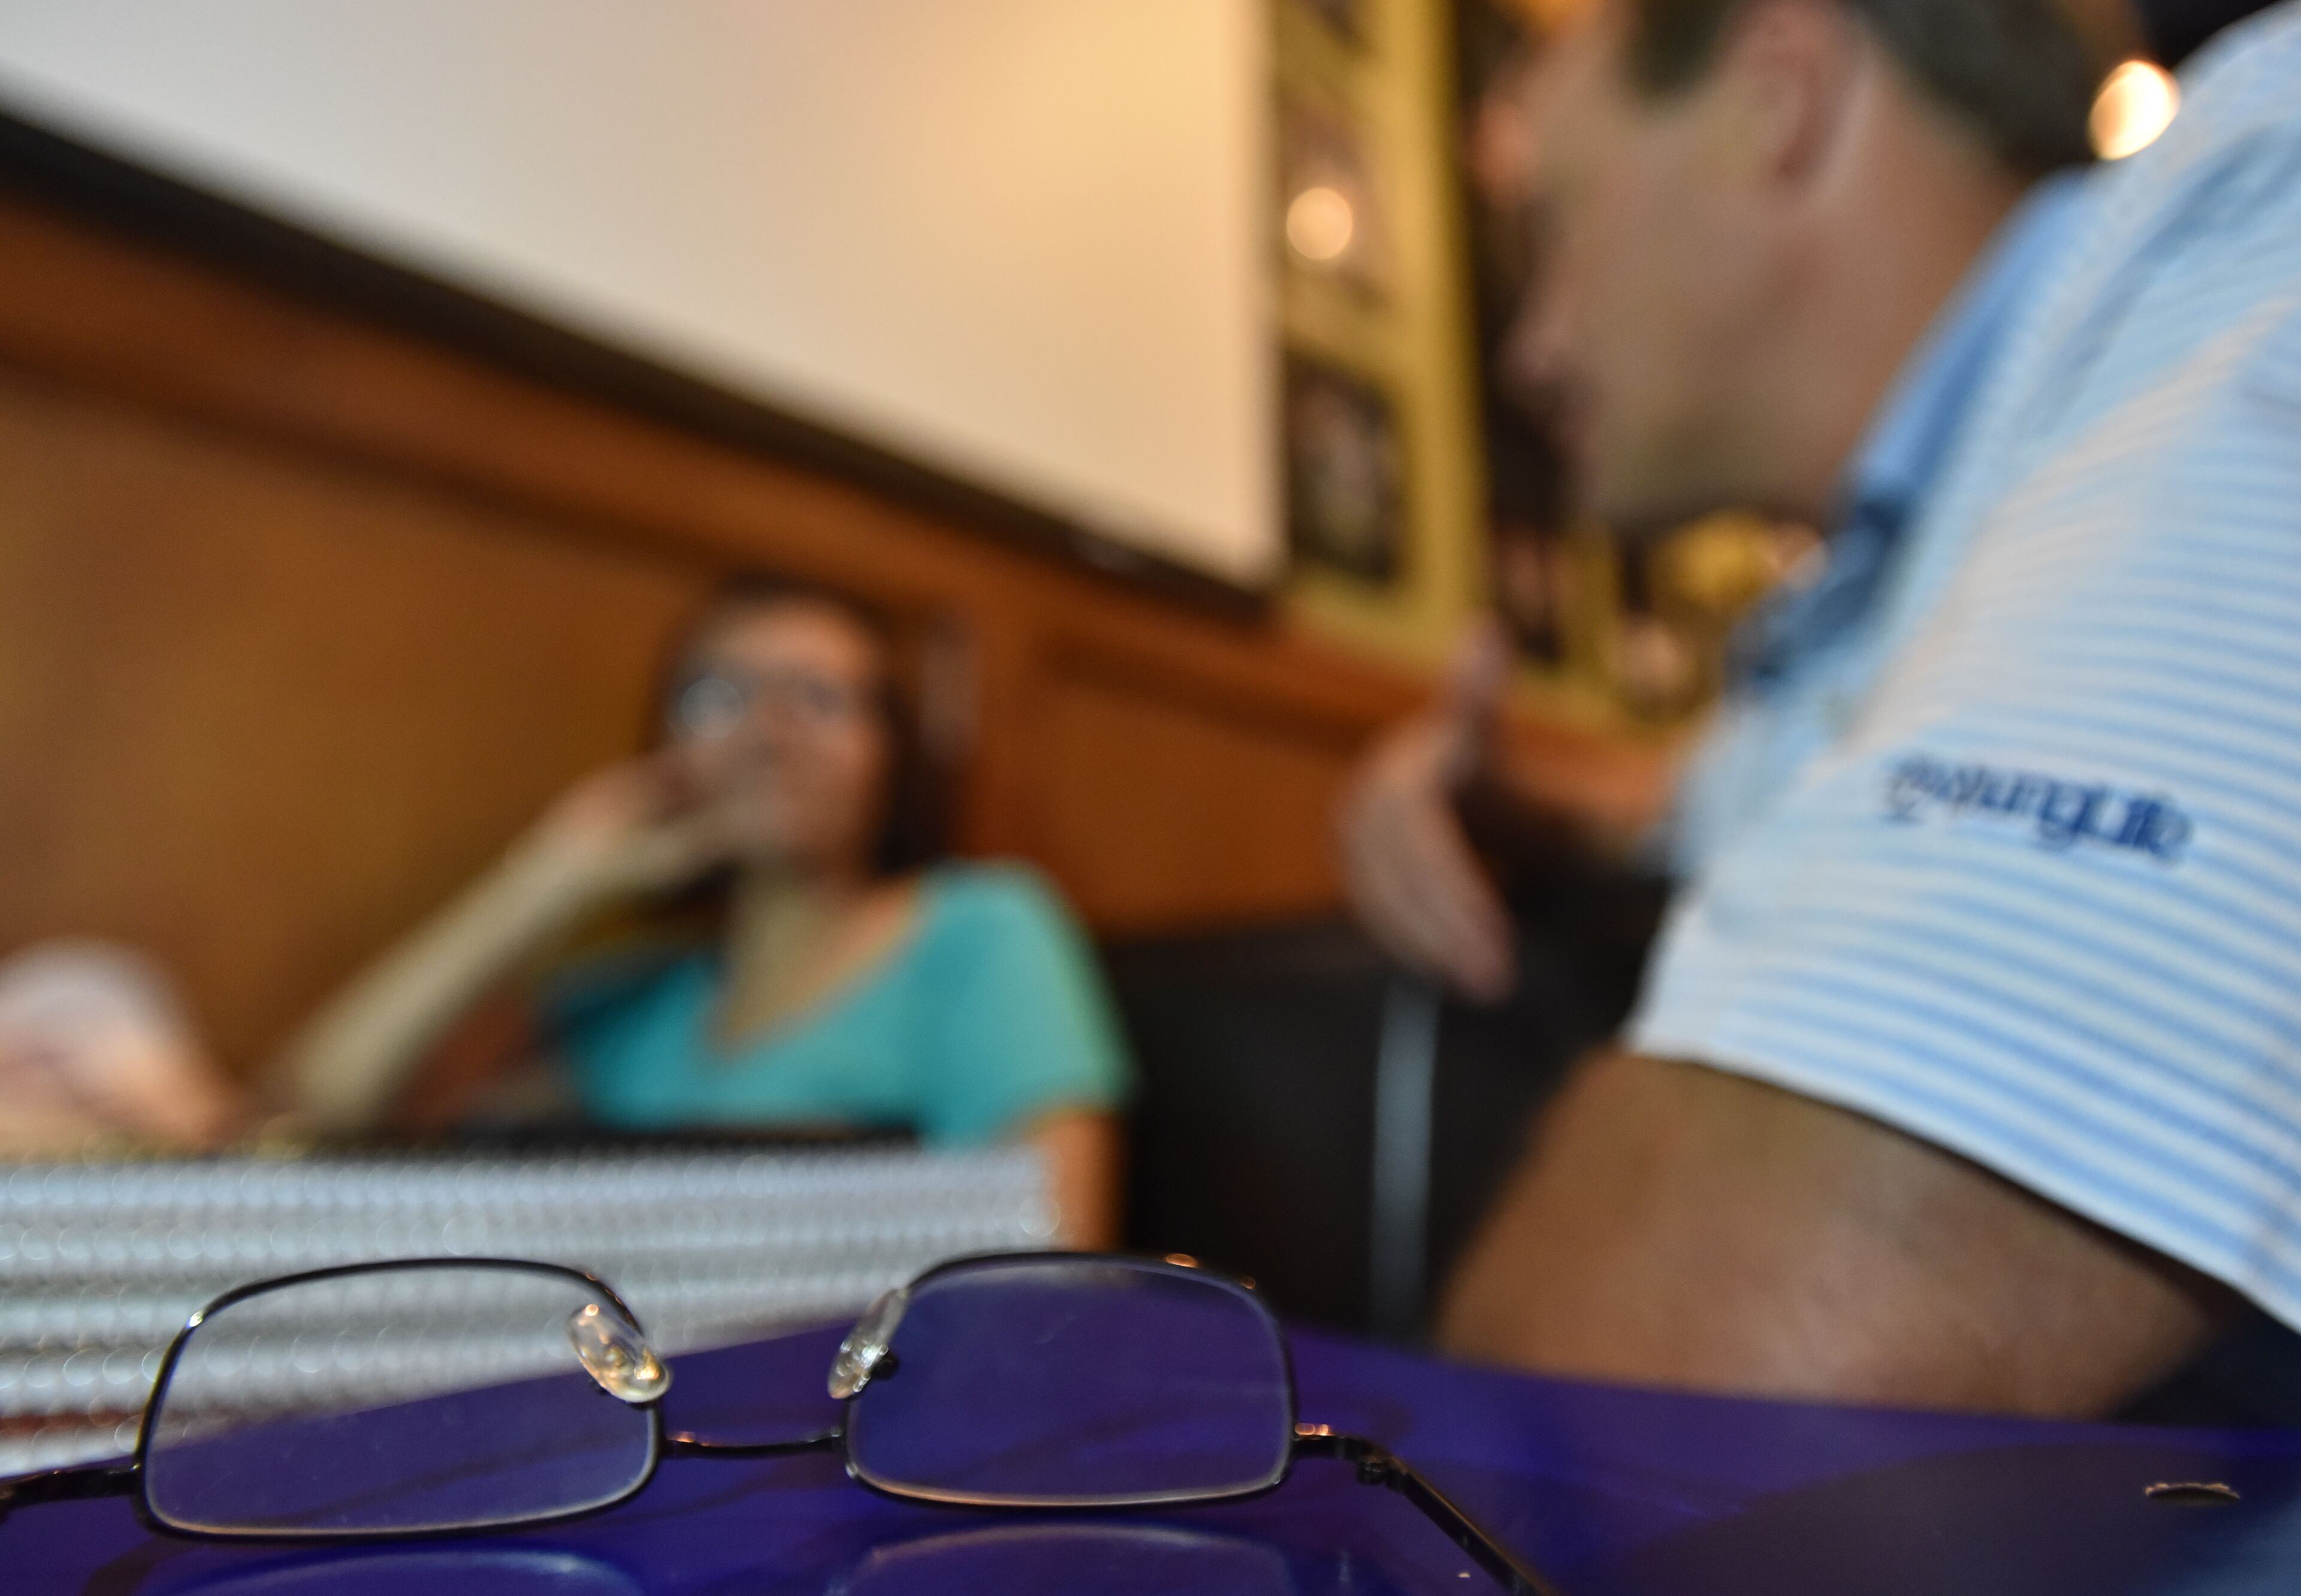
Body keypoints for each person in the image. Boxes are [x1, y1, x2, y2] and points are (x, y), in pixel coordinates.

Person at [1352, 0, 2301, 1418]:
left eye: (1548, 228)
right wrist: (1514, 807)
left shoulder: (2259, 214)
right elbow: (1737, 796)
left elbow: (1724, 1376)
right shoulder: (1857, 603)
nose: (1530, 353)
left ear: (1779, 97)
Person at [276, 578, 1132, 1246]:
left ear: (890, 754)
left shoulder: (982, 929)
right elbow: (313, 1111)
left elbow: (1054, 1259)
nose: (770, 732)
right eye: (722, 697)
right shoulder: (638, 1001)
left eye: (822, 698)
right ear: (670, 750)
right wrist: (543, 882)